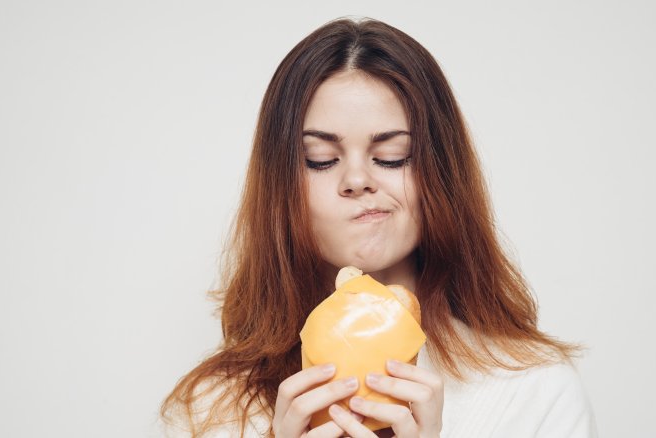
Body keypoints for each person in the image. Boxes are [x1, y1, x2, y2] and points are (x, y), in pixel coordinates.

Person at [160, 17, 597, 438]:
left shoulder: (534, 390)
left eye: (392, 156)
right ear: (280, 187)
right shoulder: (210, 411)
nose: (357, 180)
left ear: (440, 174)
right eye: (320, 160)